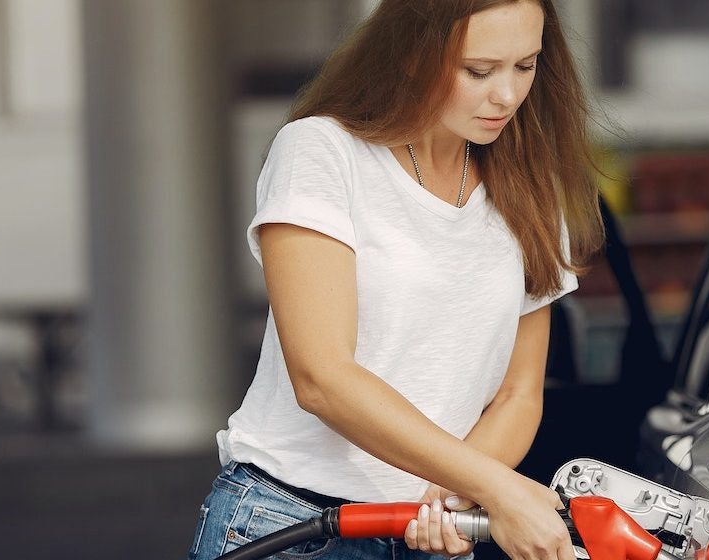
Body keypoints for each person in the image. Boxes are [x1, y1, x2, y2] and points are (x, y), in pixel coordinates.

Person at [187, 1, 604, 559]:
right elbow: (323, 377)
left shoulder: (530, 188)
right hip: (291, 521)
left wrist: (455, 494)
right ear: (410, 54)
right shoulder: (322, 152)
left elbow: (517, 393)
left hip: (435, 533)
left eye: (525, 66)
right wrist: (495, 488)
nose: (506, 95)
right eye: (478, 71)